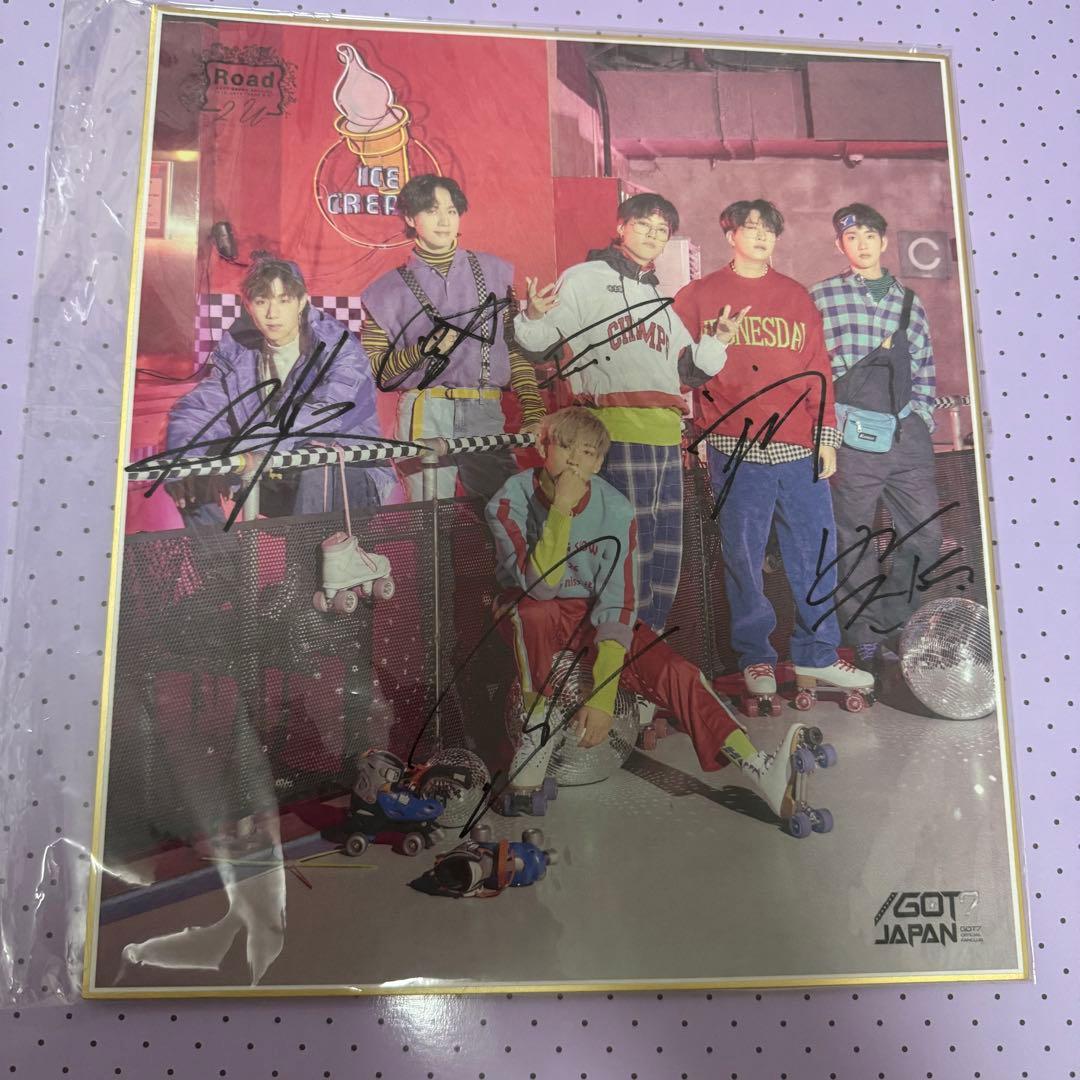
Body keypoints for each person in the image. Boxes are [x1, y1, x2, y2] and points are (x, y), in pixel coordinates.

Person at [485, 406, 828, 828]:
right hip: (530, 611)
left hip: (592, 616)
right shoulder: (509, 501)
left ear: (599, 462)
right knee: (533, 612)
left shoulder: (616, 510)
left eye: (588, 453)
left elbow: (618, 607)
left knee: (677, 671)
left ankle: (759, 768)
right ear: (543, 447)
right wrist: (561, 510)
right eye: (566, 449)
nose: (575, 463)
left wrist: (603, 697)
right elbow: (540, 587)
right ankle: (534, 733)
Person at [672, 199, 873, 708]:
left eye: (770, 230)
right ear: (731, 234)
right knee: (743, 556)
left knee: (816, 553)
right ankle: (755, 656)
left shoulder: (795, 296)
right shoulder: (699, 295)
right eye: (751, 228)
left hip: (798, 447)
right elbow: (678, 372)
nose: (762, 237)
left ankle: (817, 653)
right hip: (735, 445)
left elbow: (818, 370)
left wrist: (826, 437)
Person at [514, 193, 733, 634]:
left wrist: (718, 341)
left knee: (663, 555)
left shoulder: (658, 297)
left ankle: (644, 648)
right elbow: (538, 347)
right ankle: (608, 650)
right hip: (611, 435)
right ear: (621, 227)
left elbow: (685, 373)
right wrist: (532, 316)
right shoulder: (583, 278)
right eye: (644, 224)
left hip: (664, 438)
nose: (653, 234)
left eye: (662, 230)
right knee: (620, 551)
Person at [809, 203, 943, 667]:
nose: (862, 244)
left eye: (870, 235)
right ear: (839, 245)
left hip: (906, 434)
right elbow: (814, 371)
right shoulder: (821, 296)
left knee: (926, 536)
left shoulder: (909, 301)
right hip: (853, 436)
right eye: (852, 237)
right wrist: (829, 431)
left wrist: (920, 417)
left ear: (884, 242)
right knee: (854, 539)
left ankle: (893, 622)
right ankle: (864, 636)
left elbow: (924, 367)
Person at [360, 174, 546, 502]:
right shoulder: (384, 291)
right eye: (432, 211)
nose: (444, 221)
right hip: (424, 413)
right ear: (410, 218)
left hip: (485, 409)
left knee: (501, 515)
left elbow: (513, 350)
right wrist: (419, 353)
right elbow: (377, 371)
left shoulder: (496, 272)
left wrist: (533, 411)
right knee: (430, 519)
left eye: (451, 210)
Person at [166, 256, 389, 526]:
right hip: (275, 469)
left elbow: (324, 415)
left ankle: (305, 553)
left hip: (348, 475)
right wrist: (183, 463)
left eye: (283, 300)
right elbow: (200, 409)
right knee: (191, 475)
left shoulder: (339, 349)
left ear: (302, 301)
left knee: (314, 462)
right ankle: (220, 554)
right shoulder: (238, 351)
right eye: (262, 302)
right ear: (248, 306)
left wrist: (244, 450)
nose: (272, 313)